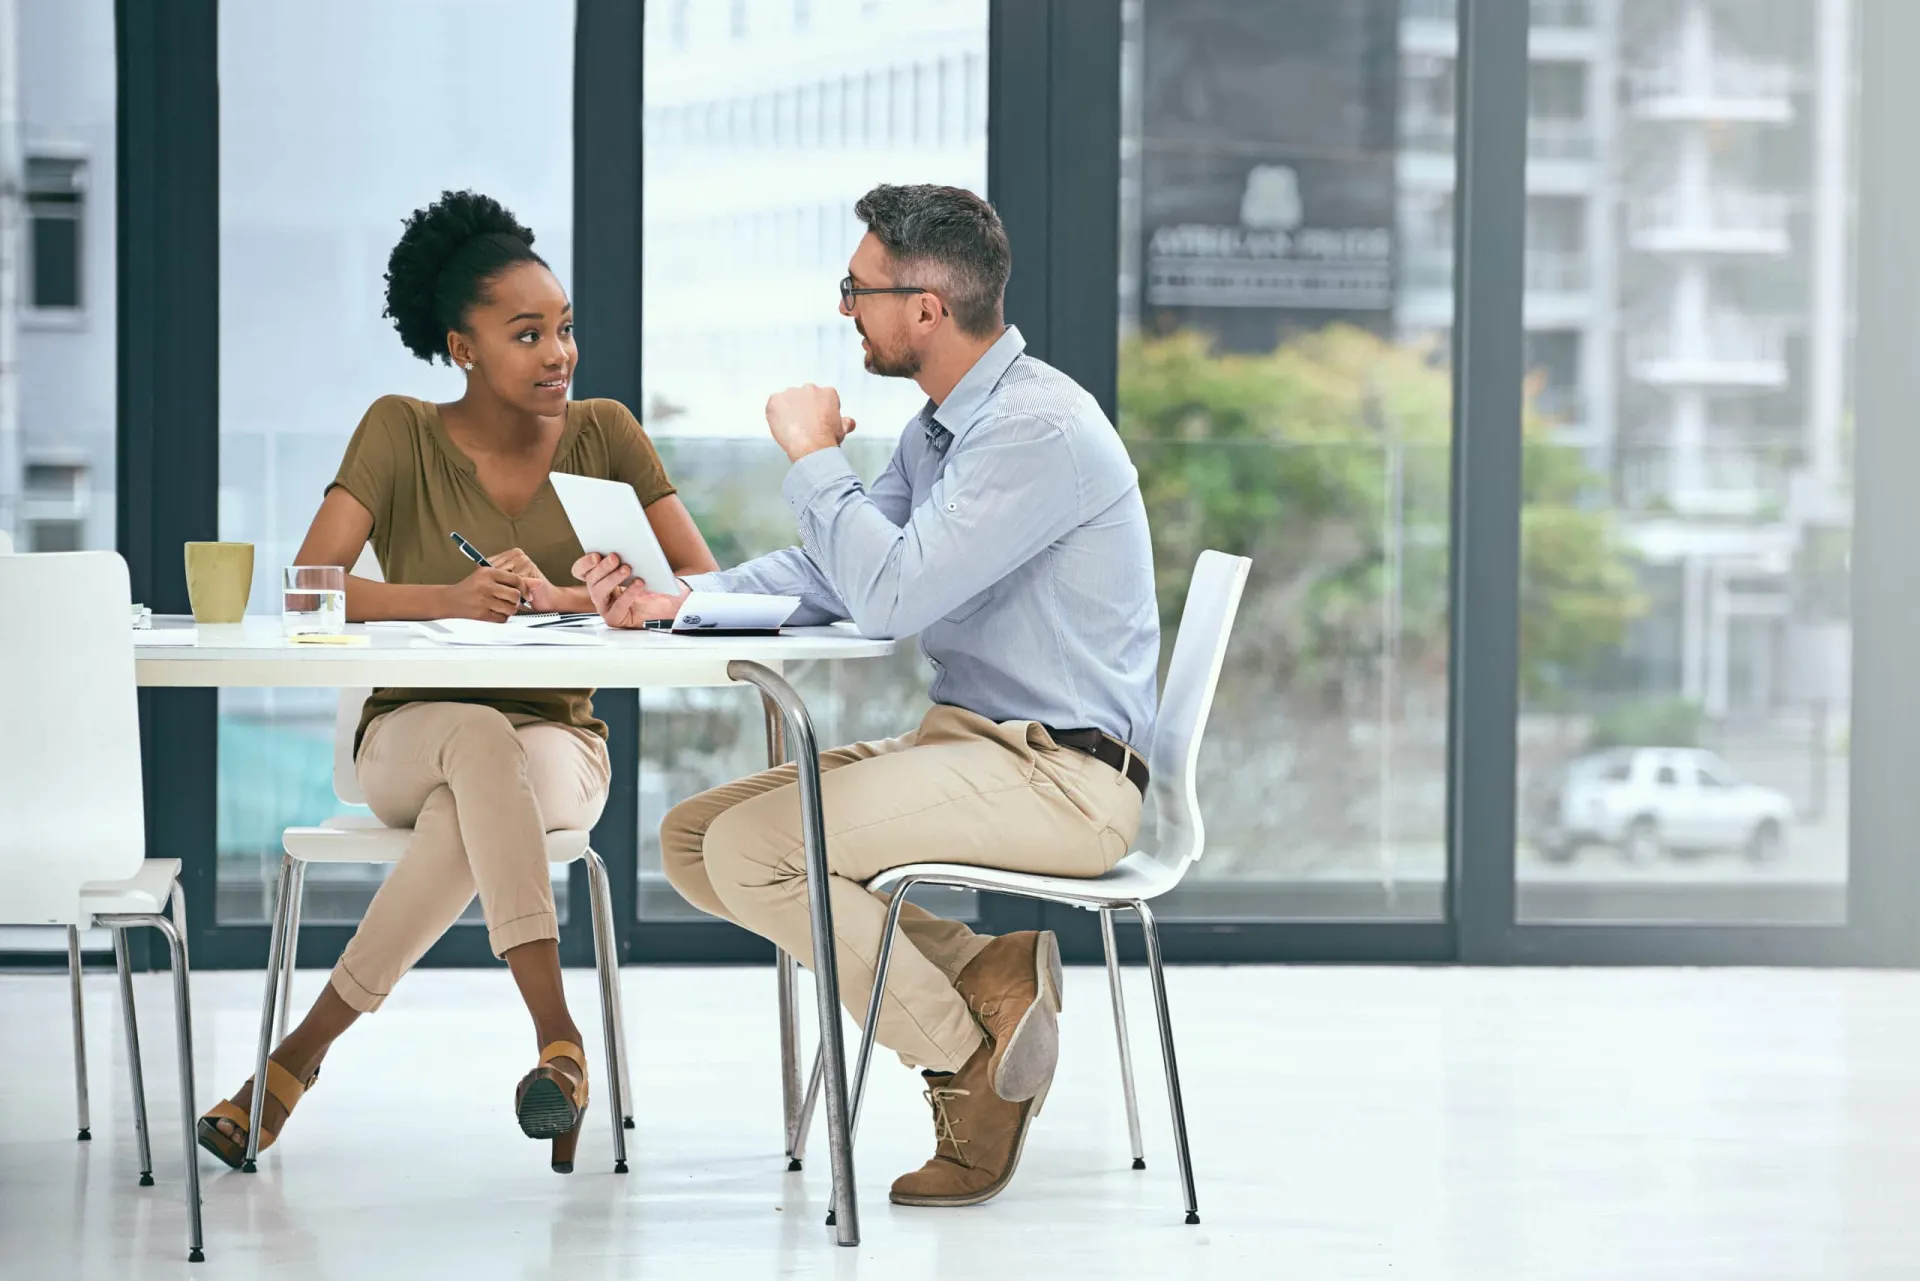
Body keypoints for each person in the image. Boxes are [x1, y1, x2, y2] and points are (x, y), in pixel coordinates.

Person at [575, 183, 1159, 1207]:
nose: (846, 309)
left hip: (1063, 779)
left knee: (759, 852)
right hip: (978, 748)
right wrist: (681, 601)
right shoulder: (943, 431)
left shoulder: (1033, 431)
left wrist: (812, 457)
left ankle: (963, 1061)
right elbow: (831, 571)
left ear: (925, 307)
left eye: (859, 288)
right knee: (695, 841)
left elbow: (890, 598)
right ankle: (988, 975)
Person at [197, 190, 717, 1174]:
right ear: (462, 346)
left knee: (482, 784)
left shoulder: (606, 432)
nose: (560, 352)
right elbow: (312, 587)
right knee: (475, 741)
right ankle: (557, 1041)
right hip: (406, 737)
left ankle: (292, 1066)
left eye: (564, 328)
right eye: (528, 334)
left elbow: (702, 587)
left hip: (562, 748)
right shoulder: (398, 430)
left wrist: (598, 599)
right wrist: (451, 597)